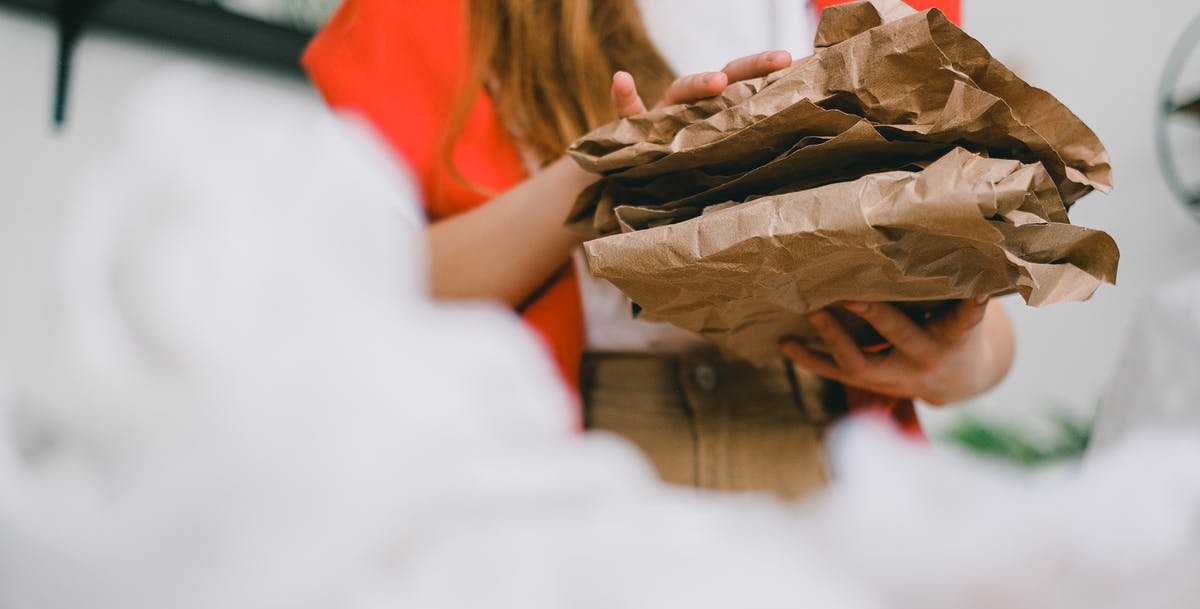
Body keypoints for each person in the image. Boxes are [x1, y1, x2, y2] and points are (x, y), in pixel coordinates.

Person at [303, 0, 1013, 499]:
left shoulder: (892, 9)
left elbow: (985, 302)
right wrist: (605, 171)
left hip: (834, 453)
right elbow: (361, 290)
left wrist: (960, 360)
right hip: (574, 459)